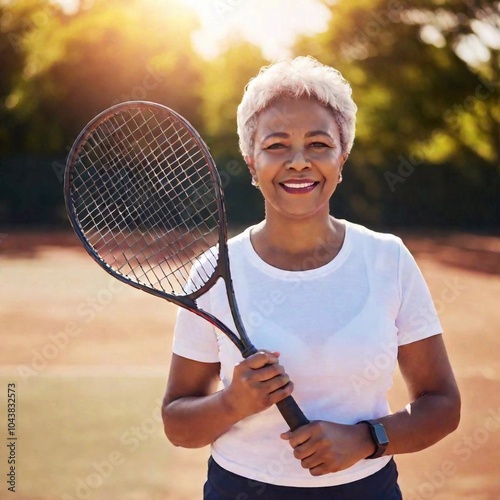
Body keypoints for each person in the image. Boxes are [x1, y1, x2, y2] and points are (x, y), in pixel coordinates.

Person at [161, 56, 461, 499]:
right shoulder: (214, 271)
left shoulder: (387, 259)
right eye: (277, 145)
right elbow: (177, 424)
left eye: (318, 144)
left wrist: (366, 439)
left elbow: (442, 405)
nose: (298, 162)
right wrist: (231, 403)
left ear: (342, 157)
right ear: (251, 162)